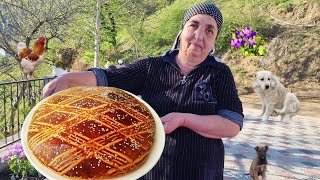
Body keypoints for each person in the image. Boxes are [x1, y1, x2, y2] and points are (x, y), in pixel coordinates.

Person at [43, 2, 243, 180]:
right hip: (152, 170)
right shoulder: (152, 67)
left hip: (201, 171)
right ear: (182, 31)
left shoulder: (219, 73)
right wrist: (68, 78)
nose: (199, 36)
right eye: (194, 25)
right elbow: (109, 77)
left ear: (214, 41)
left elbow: (232, 124)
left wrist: (183, 119)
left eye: (210, 30)